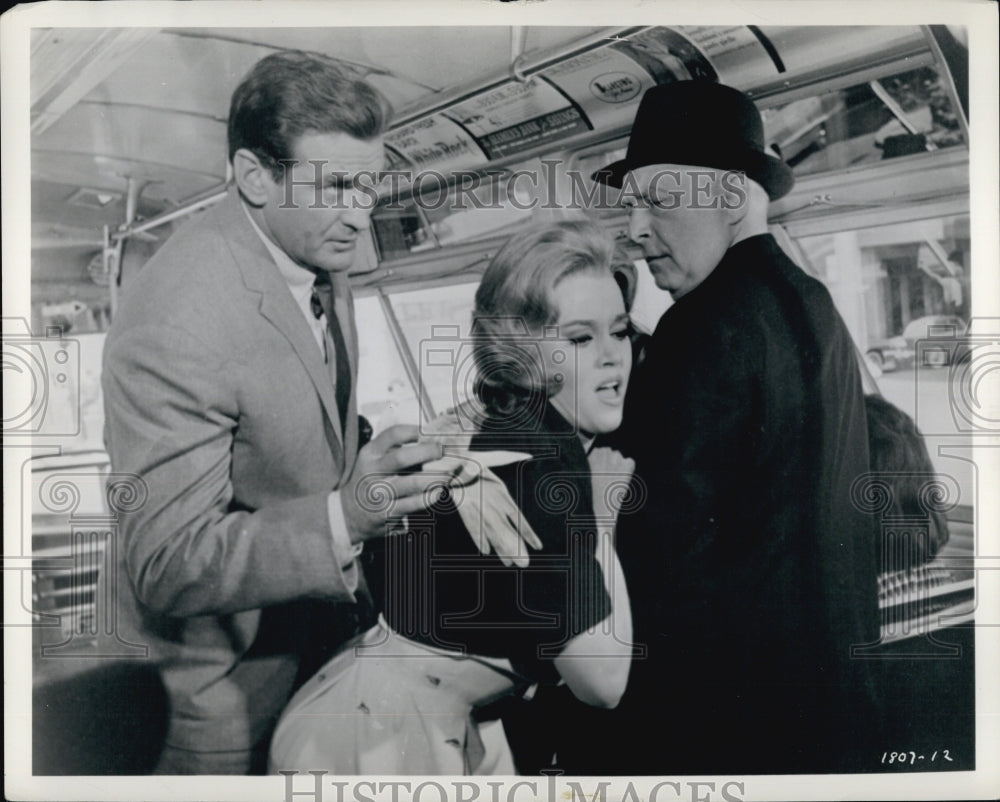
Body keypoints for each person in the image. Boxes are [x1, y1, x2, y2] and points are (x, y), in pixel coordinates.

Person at [100, 52, 474, 775]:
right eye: (336, 185)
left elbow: (297, 416)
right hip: (222, 701)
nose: (360, 212)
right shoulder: (177, 320)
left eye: (370, 184)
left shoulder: (318, 251)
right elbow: (167, 562)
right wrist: (347, 517)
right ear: (254, 175)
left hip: (318, 656)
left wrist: (393, 460)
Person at [553, 81, 881, 774]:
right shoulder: (817, 305)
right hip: (835, 705)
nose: (636, 231)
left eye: (660, 202)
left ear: (732, 199)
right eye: (631, 205)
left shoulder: (699, 328)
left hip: (727, 725)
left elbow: (656, 554)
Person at [267, 220, 637, 775]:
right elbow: (604, 682)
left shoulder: (500, 422)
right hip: (380, 743)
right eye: (581, 338)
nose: (614, 357)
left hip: (384, 711)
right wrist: (599, 519)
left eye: (621, 331)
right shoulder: (542, 459)